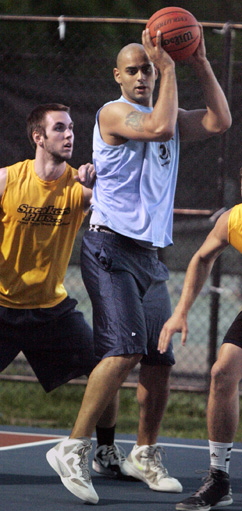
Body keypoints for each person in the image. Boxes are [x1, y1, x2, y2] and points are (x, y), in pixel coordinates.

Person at [46, 26, 231, 504]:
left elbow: (219, 121)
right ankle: (73, 446)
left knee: (159, 358)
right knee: (125, 349)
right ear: (118, 77)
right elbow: (160, 128)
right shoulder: (115, 113)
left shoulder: (161, 112)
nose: (144, 75)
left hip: (149, 254)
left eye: (148, 68)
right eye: (135, 70)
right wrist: (170, 64)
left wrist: (200, 62)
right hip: (108, 248)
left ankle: (144, 452)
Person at [0, 103, 124, 504]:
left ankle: (104, 449)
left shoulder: (80, 187)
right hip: (2, 306)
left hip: (51, 309)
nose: (69, 134)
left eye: (72, 128)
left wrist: (100, 183)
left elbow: (121, 207)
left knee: (105, 366)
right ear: (38, 137)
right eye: (59, 128)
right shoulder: (7, 181)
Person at [158, 170, 242, 511]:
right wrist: (181, 311)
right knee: (222, 373)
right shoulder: (234, 220)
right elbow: (202, 257)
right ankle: (219, 479)